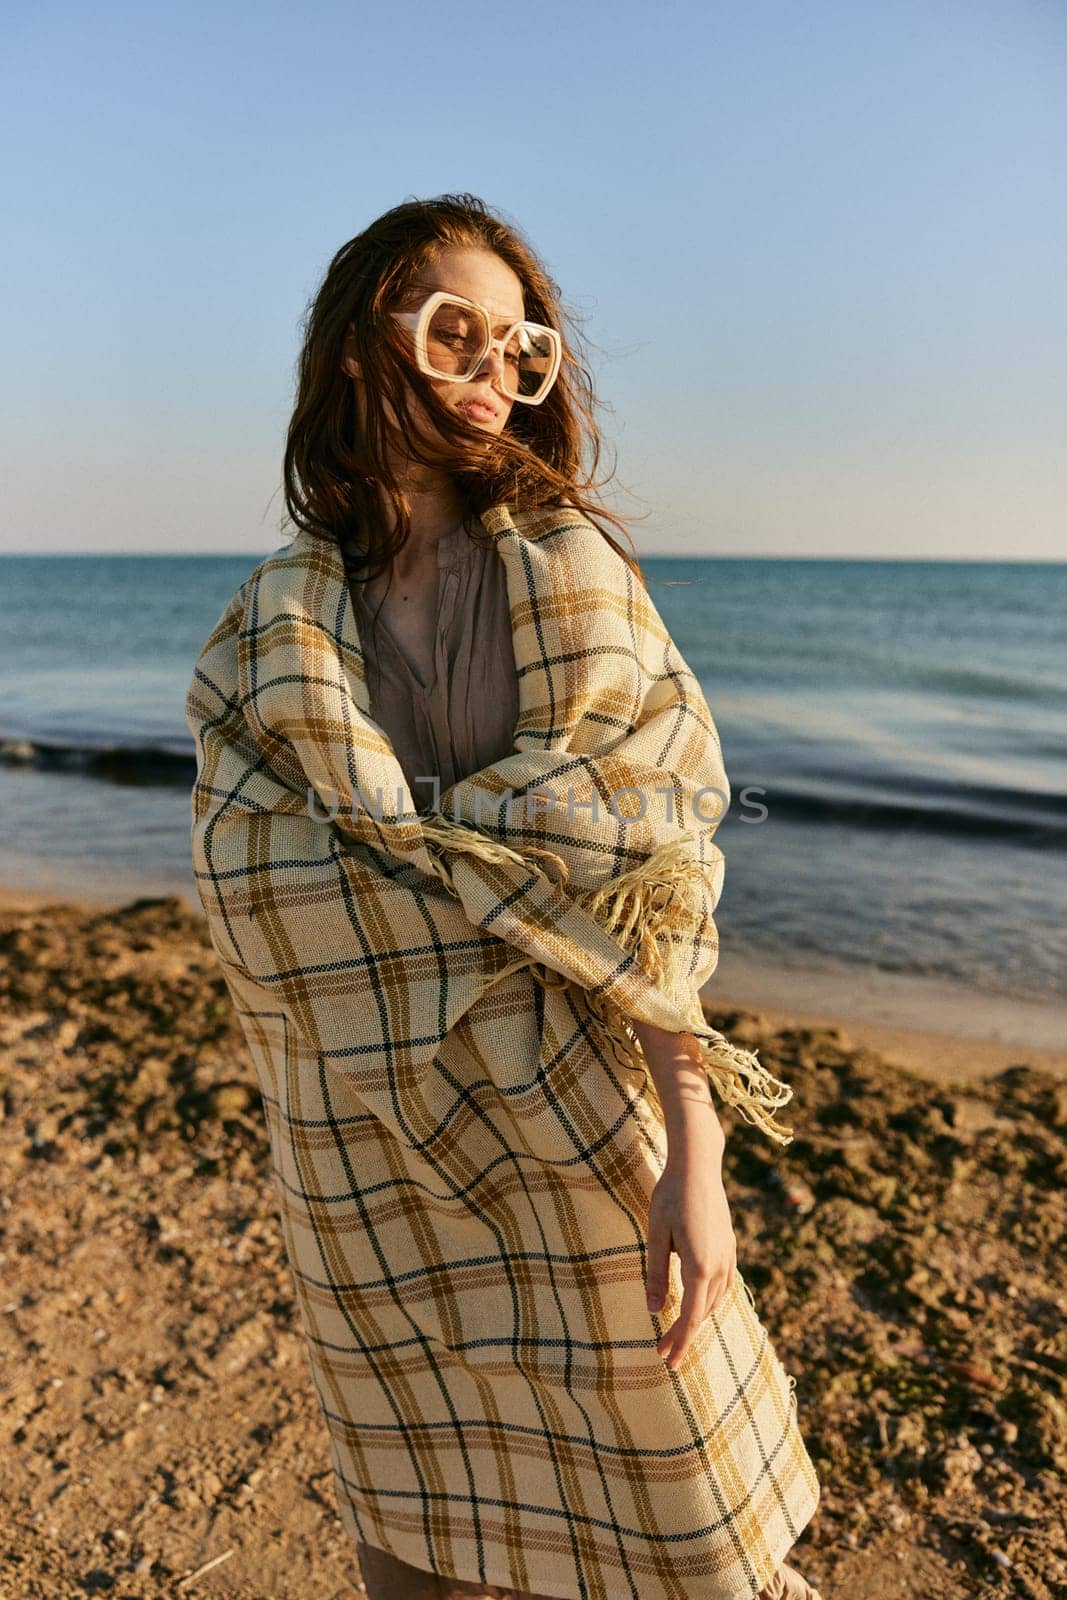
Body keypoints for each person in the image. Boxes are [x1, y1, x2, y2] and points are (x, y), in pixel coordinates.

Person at [187, 194, 823, 1600]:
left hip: (575, 1130)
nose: (492, 368)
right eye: (454, 331)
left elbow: (650, 887)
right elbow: (261, 879)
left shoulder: (573, 576)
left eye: (521, 346)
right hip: (361, 1156)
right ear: (366, 352)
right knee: (414, 1539)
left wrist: (697, 1158)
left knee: (674, 1530)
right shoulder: (272, 624)